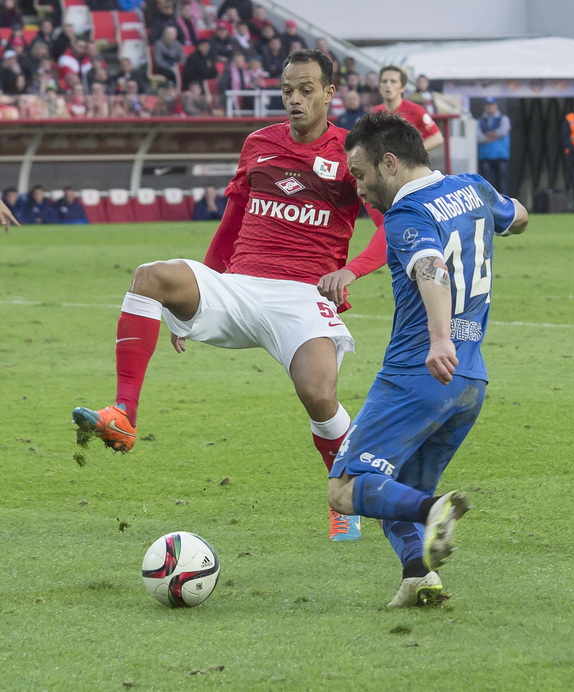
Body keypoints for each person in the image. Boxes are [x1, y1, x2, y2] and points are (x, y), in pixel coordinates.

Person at [72, 49, 387, 542]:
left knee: (319, 396)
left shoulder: (351, 153)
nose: (295, 99)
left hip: (302, 296)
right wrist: (187, 307)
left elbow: (389, 229)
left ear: (330, 93)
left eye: (307, 89)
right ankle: (124, 415)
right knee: (151, 277)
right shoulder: (259, 143)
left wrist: (351, 272)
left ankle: (345, 496)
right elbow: (232, 223)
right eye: (287, 90)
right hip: (238, 287)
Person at [328, 112, 528, 607]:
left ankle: (438, 508)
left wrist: (440, 338)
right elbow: (519, 216)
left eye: (361, 175)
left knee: (348, 488)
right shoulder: (474, 187)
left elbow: (432, 267)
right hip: (469, 381)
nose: (360, 189)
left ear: (389, 163)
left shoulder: (406, 216)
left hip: (418, 372)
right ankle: (420, 577)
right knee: (391, 487)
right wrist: (496, 214)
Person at [374, 65, 443, 153]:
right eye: (384, 81)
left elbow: (437, 138)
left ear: (402, 88)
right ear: (380, 86)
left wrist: (411, 154)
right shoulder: (376, 111)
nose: (388, 85)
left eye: (393, 81)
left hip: (409, 165)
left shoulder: (416, 110)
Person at [476, 98, 511, 194]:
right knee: (486, 182)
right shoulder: (480, 121)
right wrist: (495, 136)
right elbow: (479, 138)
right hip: (485, 155)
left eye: (491, 105)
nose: (489, 107)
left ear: (496, 106)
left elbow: (503, 132)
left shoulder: (503, 119)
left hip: (501, 155)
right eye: (487, 105)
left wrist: (488, 135)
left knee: (502, 182)